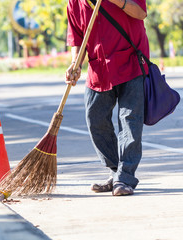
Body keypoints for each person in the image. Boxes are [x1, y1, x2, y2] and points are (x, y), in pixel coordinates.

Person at [65, 0, 149, 196]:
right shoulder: (74, 2)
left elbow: (141, 13)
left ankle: (125, 177)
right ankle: (116, 171)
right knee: (95, 119)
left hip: (131, 64)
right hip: (99, 68)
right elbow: (78, 37)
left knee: (130, 121)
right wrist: (75, 63)